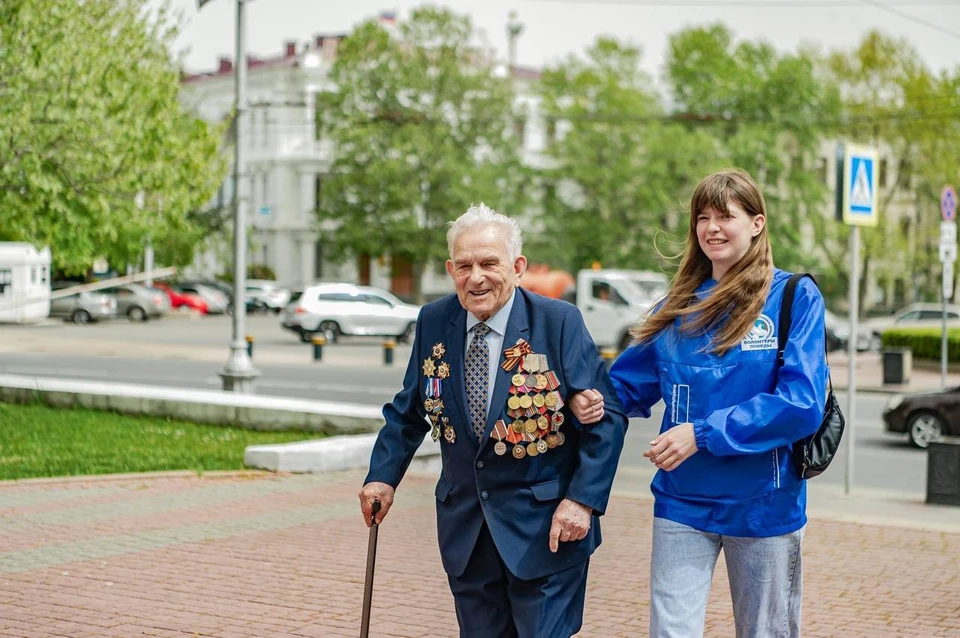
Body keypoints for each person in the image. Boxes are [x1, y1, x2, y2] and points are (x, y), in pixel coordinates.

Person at [570, 169, 828, 638]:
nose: (711, 227)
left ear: (757, 223)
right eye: (702, 217)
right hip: (682, 503)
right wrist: (587, 399)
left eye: (725, 216)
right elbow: (623, 388)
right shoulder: (676, 306)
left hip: (763, 506)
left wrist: (702, 434)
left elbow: (802, 404)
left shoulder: (793, 297)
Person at [359, 204, 628, 638]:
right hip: (467, 531)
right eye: (464, 266)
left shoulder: (557, 322)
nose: (476, 277)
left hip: (545, 529)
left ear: (517, 267)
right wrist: (381, 477)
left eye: (489, 263)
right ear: (451, 270)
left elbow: (607, 417)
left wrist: (581, 502)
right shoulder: (434, 320)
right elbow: (409, 410)